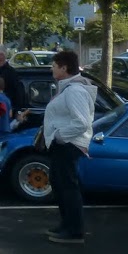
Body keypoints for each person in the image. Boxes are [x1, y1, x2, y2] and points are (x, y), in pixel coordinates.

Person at [42, 50, 96, 244]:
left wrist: (60, 136)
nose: (51, 69)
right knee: (59, 184)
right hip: (64, 143)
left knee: (67, 186)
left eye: (54, 65)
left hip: (69, 144)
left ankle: (74, 230)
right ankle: (67, 224)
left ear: (64, 68)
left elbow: (82, 122)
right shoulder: (68, 88)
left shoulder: (75, 90)